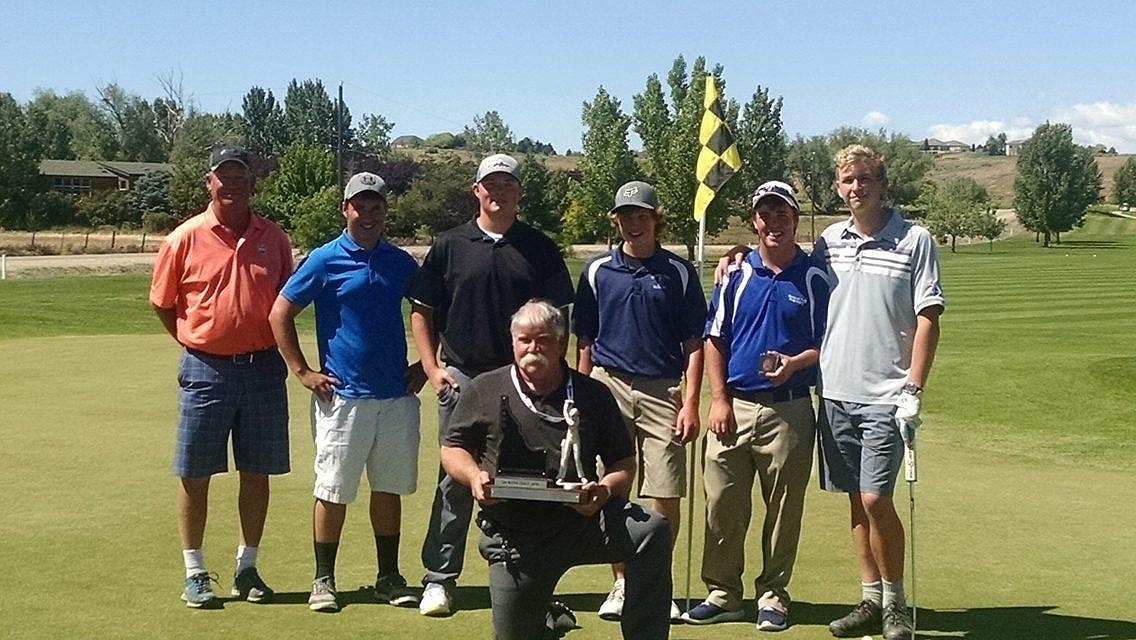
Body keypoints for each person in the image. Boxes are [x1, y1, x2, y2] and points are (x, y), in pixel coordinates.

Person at [441, 300, 673, 640]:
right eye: (525, 340)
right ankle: (548, 621)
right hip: (514, 536)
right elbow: (452, 448)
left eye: (543, 339)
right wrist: (474, 476)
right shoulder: (485, 388)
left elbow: (623, 463)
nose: (533, 348)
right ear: (513, 343)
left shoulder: (592, 394)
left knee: (652, 530)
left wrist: (604, 491)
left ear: (561, 342)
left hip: (584, 522)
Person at [408, 153, 575, 616]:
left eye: (508, 185)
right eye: (490, 185)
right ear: (477, 191)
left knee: (530, 481)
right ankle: (439, 578)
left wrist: (549, 372)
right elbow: (422, 312)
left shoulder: (539, 247)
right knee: (456, 481)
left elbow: (559, 318)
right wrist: (431, 367)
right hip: (463, 380)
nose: (498, 193)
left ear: (519, 193)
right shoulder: (449, 245)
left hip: (526, 383)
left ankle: (534, 582)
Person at [268, 171, 426, 612]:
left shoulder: (399, 262)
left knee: (388, 488)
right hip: (343, 398)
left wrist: (425, 367)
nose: (369, 216)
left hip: (395, 396)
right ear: (346, 210)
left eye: (377, 208)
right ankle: (324, 579)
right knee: (332, 489)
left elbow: (430, 310)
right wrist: (301, 371)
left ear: (384, 212)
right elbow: (280, 313)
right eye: (361, 207)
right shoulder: (324, 259)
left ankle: (388, 577)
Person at [149, 145, 293, 608]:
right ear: (208, 183)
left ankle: (247, 568)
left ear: (253, 183)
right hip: (205, 369)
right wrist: (197, 340)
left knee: (257, 472)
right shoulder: (183, 238)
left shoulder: (275, 238)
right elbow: (162, 303)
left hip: (263, 369)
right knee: (195, 472)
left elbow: (284, 305)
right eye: (222, 177)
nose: (231, 185)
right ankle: (195, 572)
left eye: (240, 177)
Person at [683, 181, 829, 632]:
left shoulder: (814, 276)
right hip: (735, 406)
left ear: (794, 218)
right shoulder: (736, 273)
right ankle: (724, 592)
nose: (774, 222)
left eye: (783, 213)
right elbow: (714, 339)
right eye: (765, 214)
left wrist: (796, 363)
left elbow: (830, 343)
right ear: (754, 221)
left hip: (789, 409)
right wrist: (719, 399)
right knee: (722, 504)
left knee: (783, 509)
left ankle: (773, 593)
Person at [815, 145, 943, 640]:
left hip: (887, 394)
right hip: (835, 392)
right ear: (838, 187)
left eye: (864, 179)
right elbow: (789, 273)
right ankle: (869, 598)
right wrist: (734, 258)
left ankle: (896, 604)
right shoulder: (828, 242)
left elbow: (928, 318)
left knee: (874, 499)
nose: (856, 188)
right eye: (847, 181)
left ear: (882, 183)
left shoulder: (915, 239)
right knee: (854, 500)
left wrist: (914, 387)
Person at [571, 180, 705, 622]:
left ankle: (654, 584)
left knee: (665, 492)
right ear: (617, 220)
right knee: (614, 484)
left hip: (663, 387)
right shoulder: (596, 271)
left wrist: (690, 402)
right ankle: (622, 581)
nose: (633, 221)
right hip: (609, 386)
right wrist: (580, 393)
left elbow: (694, 343)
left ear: (655, 219)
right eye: (626, 215)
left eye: (641, 214)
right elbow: (585, 340)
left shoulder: (680, 272)